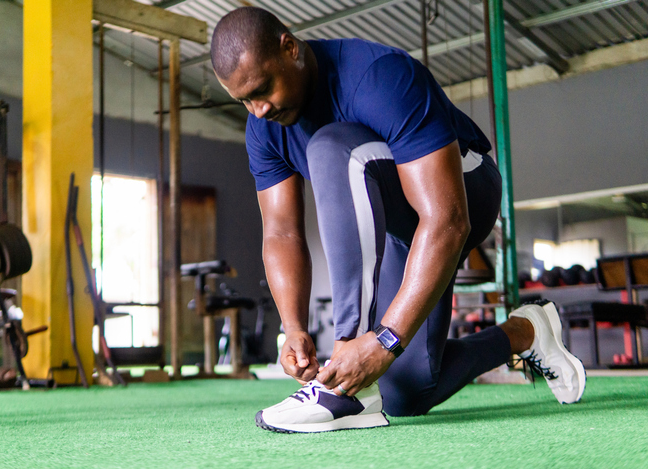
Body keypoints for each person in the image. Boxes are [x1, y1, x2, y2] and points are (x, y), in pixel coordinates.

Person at [211, 7, 585, 433]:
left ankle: (343, 381)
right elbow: (281, 231)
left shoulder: (379, 76)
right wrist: (293, 327)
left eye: (262, 89)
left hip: (465, 192)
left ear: (290, 49)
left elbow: (448, 218)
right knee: (406, 393)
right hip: (397, 229)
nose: (257, 110)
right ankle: (526, 331)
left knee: (331, 146)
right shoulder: (263, 126)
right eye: (243, 99)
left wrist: (383, 339)